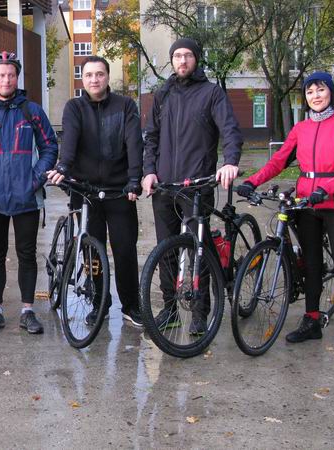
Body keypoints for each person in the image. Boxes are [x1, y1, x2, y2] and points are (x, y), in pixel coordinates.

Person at [236, 72, 334, 357]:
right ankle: (312, 320)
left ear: (330, 93)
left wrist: (326, 188)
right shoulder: (302, 129)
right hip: (306, 203)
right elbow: (279, 160)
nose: (315, 96)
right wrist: (252, 181)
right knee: (311, 265)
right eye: (310, 92)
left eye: (321, 90)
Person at [141, 38, 243, 334]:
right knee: (166, 250)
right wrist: (149, 172)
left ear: (196, 59)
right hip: (164, 187)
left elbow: (230, 131)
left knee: (200, 250)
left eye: (187, 55)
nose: (182, 61)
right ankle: (170, 309)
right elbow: (151, 138)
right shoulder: (163, 95)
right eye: (177, 56)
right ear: (171, 61)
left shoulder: (211, 94)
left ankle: (200, 311)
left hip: (197, 185)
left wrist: (230, 161)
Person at [0, 51, 58, 335]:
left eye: (11, 74)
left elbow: (50, 146)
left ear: (17, 78)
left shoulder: (32, 111)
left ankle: (28, 310)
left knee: (27, 255)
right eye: (1, 75)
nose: (6, 79)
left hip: (27, 197)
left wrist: (35, 179)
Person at [46, 55, 144, 327]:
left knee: (125, 249)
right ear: (82, 78)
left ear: (107, 76)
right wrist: (64, 167)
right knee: (92, 251)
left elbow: (134, 143)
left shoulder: (125, 106)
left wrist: (135, 178)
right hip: (86, 191)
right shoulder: (74, 107)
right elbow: (71, 138)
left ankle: (131, 306)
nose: (94, 79)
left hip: (119, 190)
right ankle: (99, 302)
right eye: (88, 75)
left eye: (99, 74)